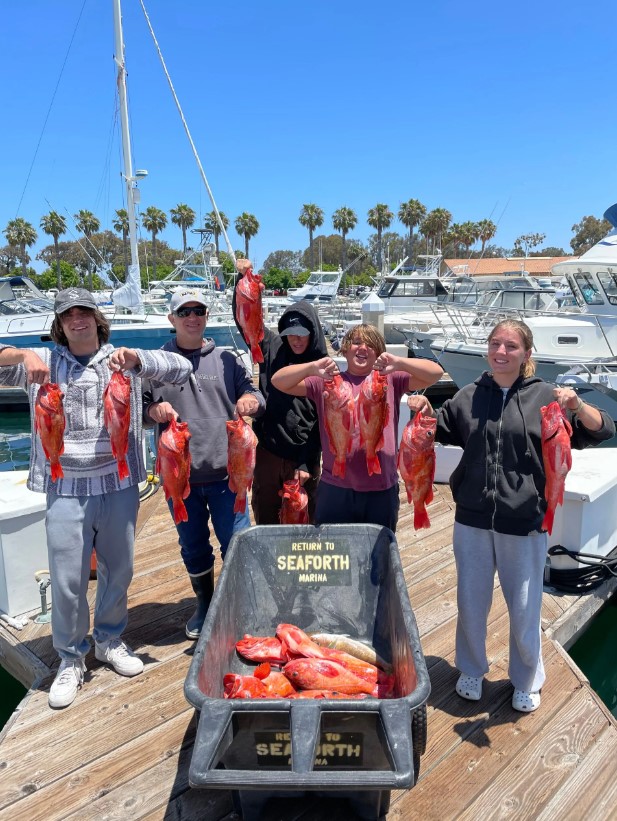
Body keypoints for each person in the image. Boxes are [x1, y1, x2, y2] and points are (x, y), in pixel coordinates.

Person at [407, 319, 614, 713]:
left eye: (511, 346)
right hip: (472, 518)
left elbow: (601, 429)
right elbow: (439, 428)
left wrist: (578, 406)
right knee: (470, 600)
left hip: (525, 521)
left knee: (524, 605)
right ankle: (470, 669)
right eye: (495, 344)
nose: (501, 352)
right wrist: (424, 408)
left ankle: (527, 678)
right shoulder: (469, 395)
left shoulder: (546, 399)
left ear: (526, 355)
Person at [0, 288, 192, 709]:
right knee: (68, 580)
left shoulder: (121, 361)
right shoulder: (42, 364)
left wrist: (140, 360)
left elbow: (181, 368)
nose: (77, 319)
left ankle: (109, 639)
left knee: (118, 570)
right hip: (64, 486)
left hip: (118, 484)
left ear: (97, 317)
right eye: (68, 314)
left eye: (84, 311)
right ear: (60, 323)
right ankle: (71, 657)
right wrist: (19, 356)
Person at [143, 288, 265, 640]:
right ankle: (206, 603)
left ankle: (238, 604)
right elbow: (141, 410)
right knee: (193, 544)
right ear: (172, 319)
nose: (193, 317)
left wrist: (247, 400)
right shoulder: (156, 362)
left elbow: (254, 393)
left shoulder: (227, 358)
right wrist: (153, 410)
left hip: (229, 474)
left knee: (237, 542)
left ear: (207, 317)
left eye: (199, 311)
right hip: (179, 477)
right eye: (185, 312)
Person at [271, 323, 444, 531]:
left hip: (381, 488)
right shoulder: (326, 382)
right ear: (345, 348)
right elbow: (279, 381)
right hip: (335, 487)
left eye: (371, 345)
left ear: (379, 353)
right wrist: (311, 368)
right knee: (334, 555)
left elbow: (435, 373)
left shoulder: (390, 380)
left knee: (377, 557)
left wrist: (399, 363)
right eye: (356, 342)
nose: (362, 348)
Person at [232, 259, 328, 524]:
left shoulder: (321, 365)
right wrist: (240, 282)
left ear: (313, 332)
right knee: (265, 518)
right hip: (268, 453)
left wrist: (307, 463)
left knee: (305, 520)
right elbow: (245, 320)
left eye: (302, 334)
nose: (295, 339)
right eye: (290, 333)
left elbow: (323, 422)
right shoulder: (271, 347)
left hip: (303, 458)